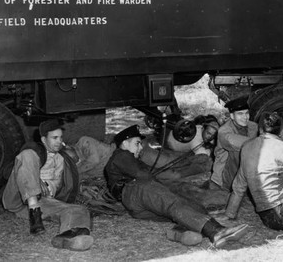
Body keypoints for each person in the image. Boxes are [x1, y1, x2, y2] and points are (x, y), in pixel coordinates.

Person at [104, 125, 249, 248]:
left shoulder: (128, 158)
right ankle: (217, 232)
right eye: (137, 143)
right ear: (125, 143)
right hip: (135, 190)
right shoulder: (121, 155)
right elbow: (144, 176)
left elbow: (148, 175)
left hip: (137, 204)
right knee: (173, 203)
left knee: (192, 206)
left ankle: (177, 233)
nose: (140, 147)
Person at [2, 119, 93, 252]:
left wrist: (82, 186)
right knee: (27, 155)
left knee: (79, 210)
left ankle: (69, 237)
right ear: (44, 140)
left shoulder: (62, 159)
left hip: (43, 202)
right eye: (54, 138)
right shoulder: (35, 151)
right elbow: (11, 168)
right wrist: (36, 180)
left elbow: (62, 183)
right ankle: (35, 213)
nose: (59, 141)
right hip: (16, 199)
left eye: (60, 137)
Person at [139, 115, 219, 178]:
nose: (210, 137)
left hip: (173, 128)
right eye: (208, 133)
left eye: (213, 135)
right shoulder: (195, 141)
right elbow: (204, 155)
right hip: (166, 139)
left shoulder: (198, 127)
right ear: (203, 128)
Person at [210, 95, 258, 190]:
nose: (245, 117)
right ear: (232, 116)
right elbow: (239, 143)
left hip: (244, 173)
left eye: (247, 113)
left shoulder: (253, 126)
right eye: (240, 114)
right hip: (224, 178)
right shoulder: (224, 131)